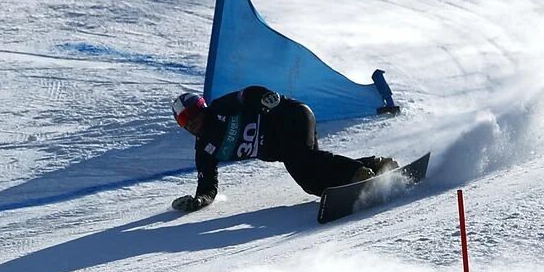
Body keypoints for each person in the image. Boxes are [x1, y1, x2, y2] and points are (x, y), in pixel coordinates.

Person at [170, 86, 398, 212]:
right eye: (182, 121)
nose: (190, 123)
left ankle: (357, 172)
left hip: (293, 116)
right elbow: (208, 185)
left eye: (191, 115)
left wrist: (265, 98)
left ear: (202, 108)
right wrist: (199, 200)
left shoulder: (220, 108)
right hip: (284, 146)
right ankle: (375, 166)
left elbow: (247, 94)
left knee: (301, 160)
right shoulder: (205, 149)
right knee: (311, 181)